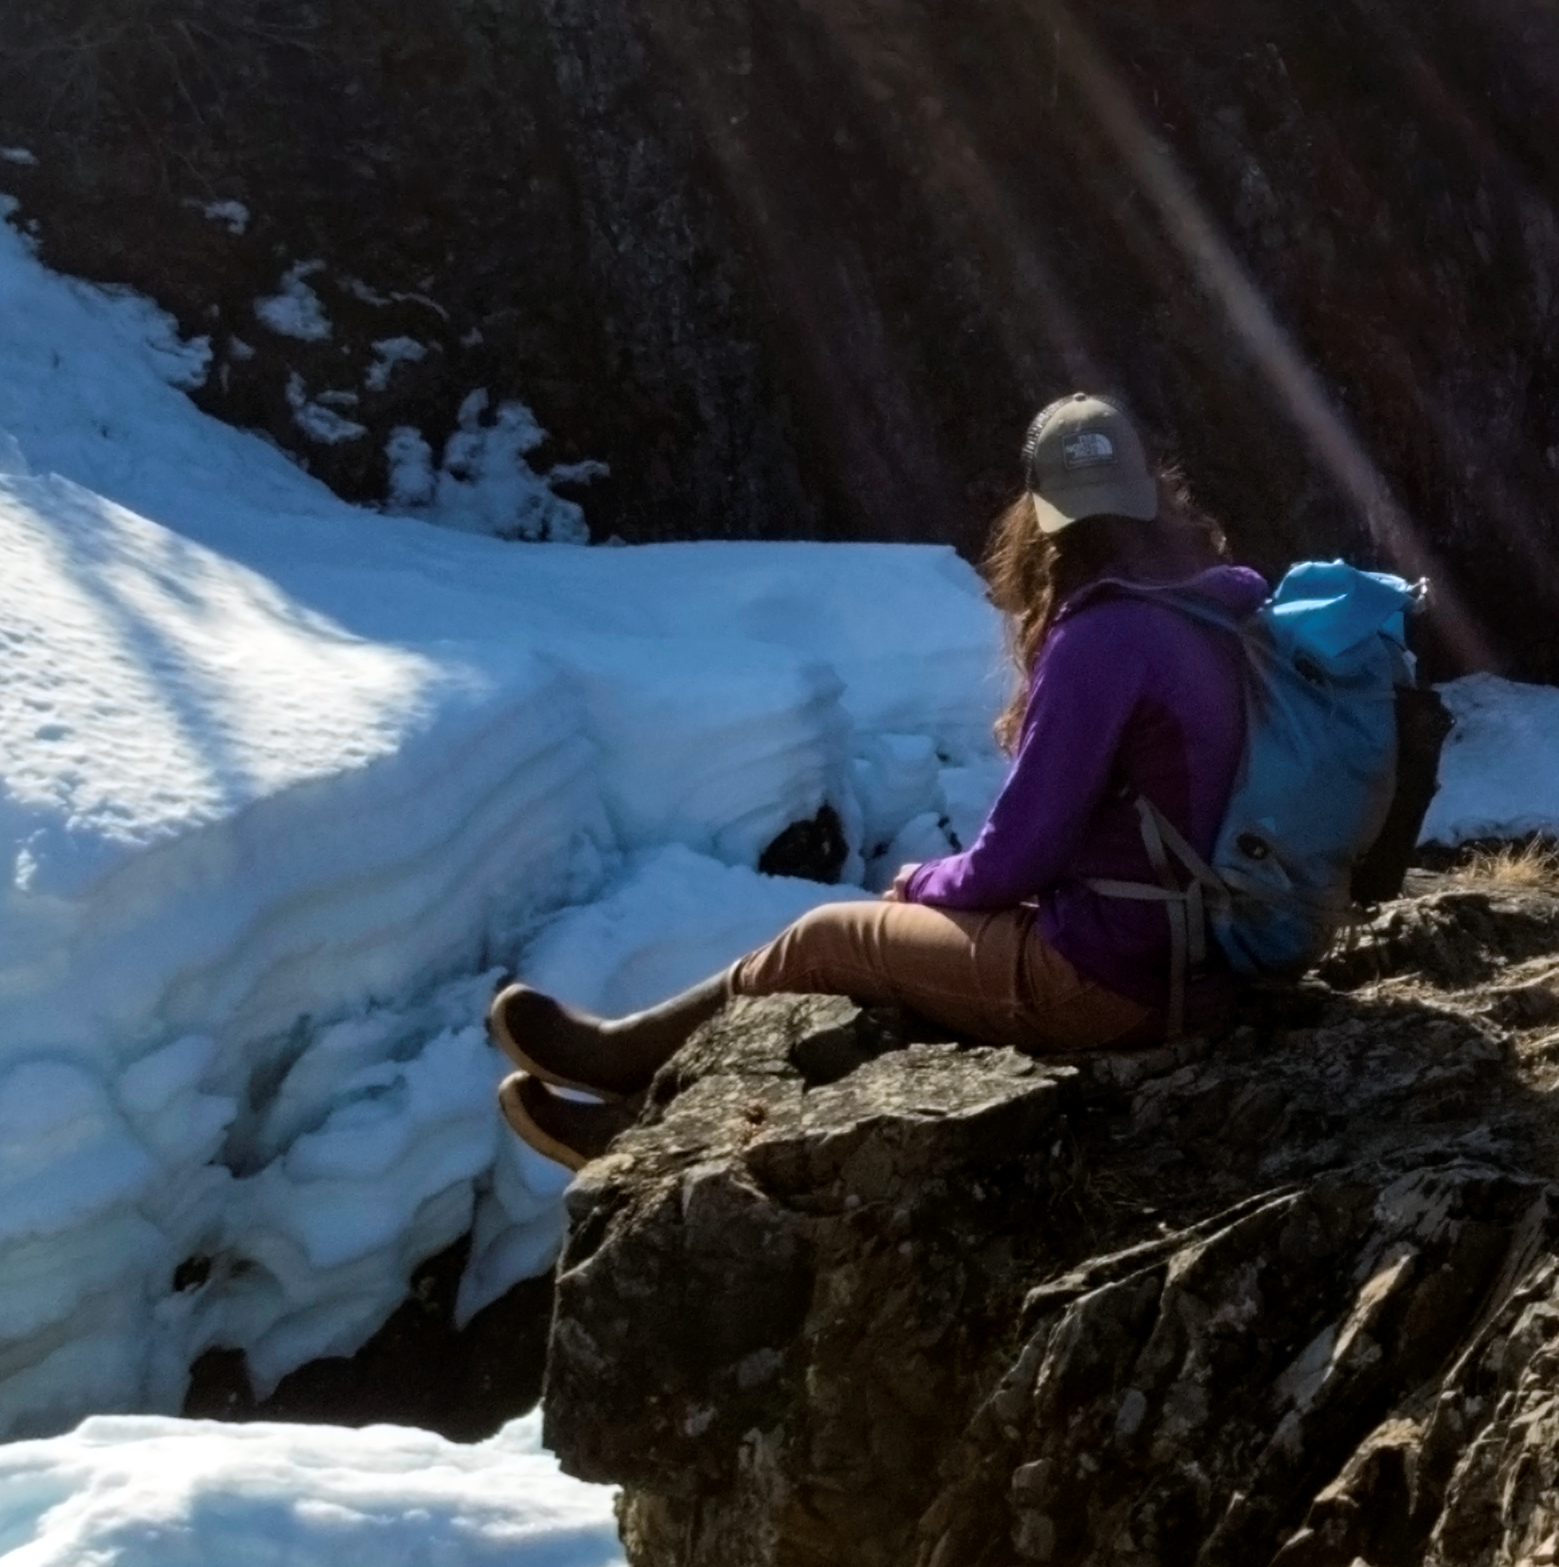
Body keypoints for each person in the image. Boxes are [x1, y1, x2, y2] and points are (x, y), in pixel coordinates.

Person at [487, 393, 1263, 1167]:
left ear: (1041, 514)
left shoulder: (1101, 637)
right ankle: (629, 1085)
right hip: (1209, 958)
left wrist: (920, 882)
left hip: (1112, 979)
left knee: (825, 936)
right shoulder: (1212, 608)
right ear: (1150, 494)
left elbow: (1017, 854)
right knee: (884, 949)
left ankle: (624, 1089)